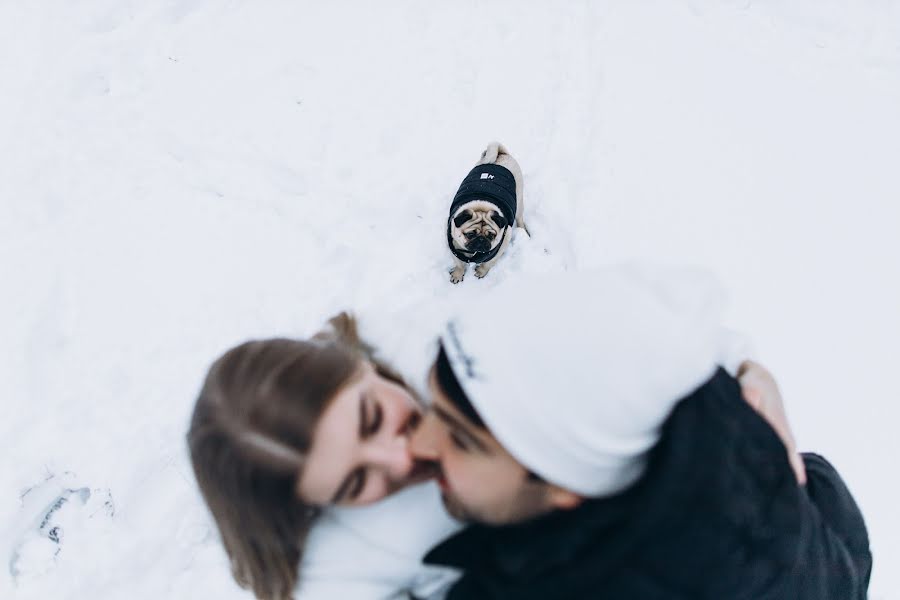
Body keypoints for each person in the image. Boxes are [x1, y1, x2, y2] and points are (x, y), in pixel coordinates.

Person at [407, 266, 872, 599]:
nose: (418, 444)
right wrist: (749, 370)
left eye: (463, 440)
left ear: (564, 487)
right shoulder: (737, 440)